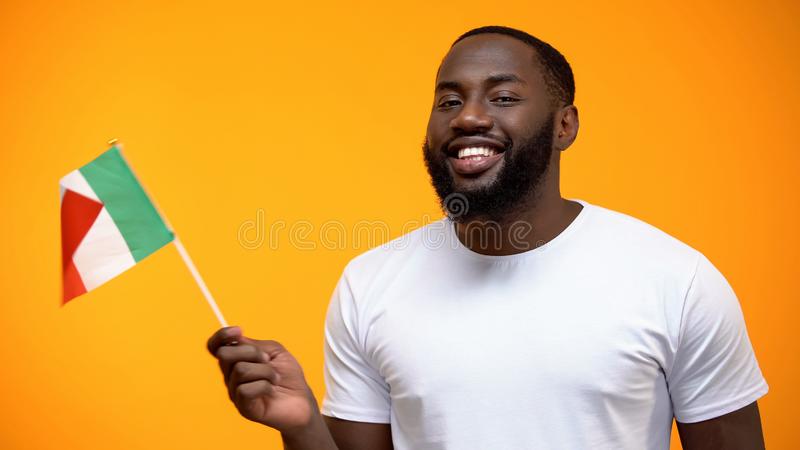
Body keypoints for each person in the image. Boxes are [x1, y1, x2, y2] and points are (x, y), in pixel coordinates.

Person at [206, 25, 768, 449]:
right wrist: (303, 424)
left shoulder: (678, 280)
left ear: (565, 125)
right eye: (449, 101)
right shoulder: (369, 284)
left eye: (502, 97)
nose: (467, 118)